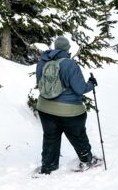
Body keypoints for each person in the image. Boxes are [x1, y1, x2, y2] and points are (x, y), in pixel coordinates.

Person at [35, 37, 101, 174]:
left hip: (44, 108)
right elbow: (80, 89)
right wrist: (91, 83)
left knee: (50, 137)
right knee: (77, 135)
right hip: (69, 110)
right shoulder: (70, 64)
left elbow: (40, 83)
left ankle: (48, 166)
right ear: (68, 48)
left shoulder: (42, 62)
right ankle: (87, 159)